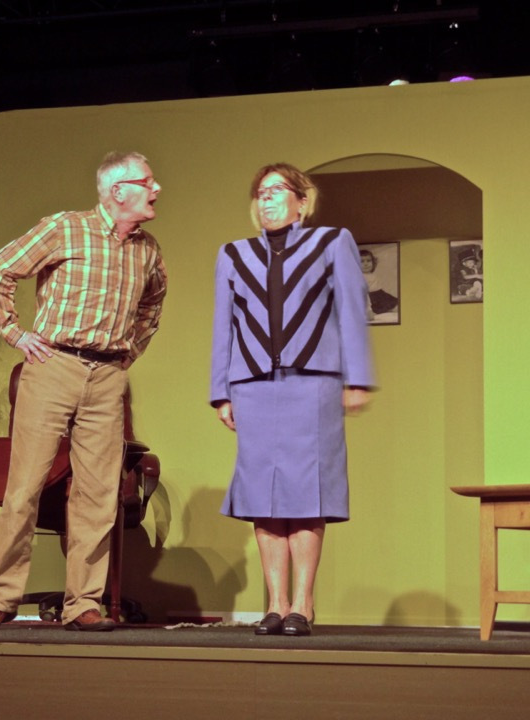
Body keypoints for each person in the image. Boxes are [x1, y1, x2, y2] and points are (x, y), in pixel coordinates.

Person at [0, 151, 168, 631]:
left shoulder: (148, 249)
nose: (156, 189)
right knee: (25, 488)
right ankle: (0, 597)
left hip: (108, 376)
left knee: (97, 495)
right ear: (118, 190)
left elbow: (153, 303)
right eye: (147, 182)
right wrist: (15, 333)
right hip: (53, 365)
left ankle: (83, 604)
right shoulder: (66, 228)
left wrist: (129, 353)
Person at [210, 163, 374, 637]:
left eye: (278, 189)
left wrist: (357, 378)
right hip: (253, 386)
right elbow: (224, 325)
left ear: (303, 201)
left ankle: (303, 603)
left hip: (313, 384)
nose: (267, 198)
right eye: (260, 192)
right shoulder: (234, 254)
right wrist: (221, 392)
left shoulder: (332, 242)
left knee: (306, 494)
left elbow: (351, 311)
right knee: (263, 498)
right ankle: (275, 604)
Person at [359, 248, 399, 319]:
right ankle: (370, 312)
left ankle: (391, 308)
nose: (366, 264)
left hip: (380, 294)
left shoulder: (371, 274)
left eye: (368, 261)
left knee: (393, 303)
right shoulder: (360, 276)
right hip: (370, 297)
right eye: (362, 261)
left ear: (373, 262)